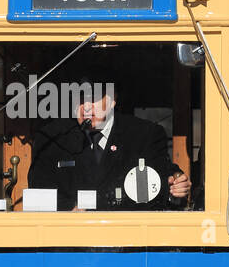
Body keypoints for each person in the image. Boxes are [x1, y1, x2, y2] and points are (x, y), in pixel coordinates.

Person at [27, 76, 191, 211]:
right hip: (69, 242)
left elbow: (162, 180)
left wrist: (176, 189)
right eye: (80, 99)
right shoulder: (52, 137)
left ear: (113, 100)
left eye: (94, 99)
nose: (86, 108)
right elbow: (39, 191)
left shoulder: (144, 135)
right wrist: (69, 210)